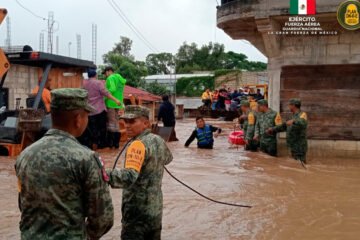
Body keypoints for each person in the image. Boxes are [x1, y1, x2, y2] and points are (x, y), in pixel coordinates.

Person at [15, 88, 114, 239]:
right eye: (87, 115)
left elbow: (23, 205)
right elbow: (103, 218)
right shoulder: (86, 158)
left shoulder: (25, 155)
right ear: (78, 119)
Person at [106, 105, 173, 239]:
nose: (127, 125)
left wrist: (103, 173)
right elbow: (168, 159)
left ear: (146, 123)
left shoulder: (136, 145)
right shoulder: (158, 140)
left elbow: (129, 177)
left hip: (136, 213)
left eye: (132, 121)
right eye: (125, 121)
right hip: (155, 210)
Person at [81, 69, 121, 149]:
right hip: (99, 110)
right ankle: (101, 144)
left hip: (89, 110)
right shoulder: (98, 83)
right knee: (102, 128)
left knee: (92, 128)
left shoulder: (84, 84)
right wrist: (116, 100)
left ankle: (92, 143)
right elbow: (106, 93)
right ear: (95, 75)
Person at [267, 98, 308, 163]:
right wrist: (272, 129)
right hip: (293, 146)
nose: (288, 107)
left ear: (293, 105)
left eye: (289, 105)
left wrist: (294, 121)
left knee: (301, 165)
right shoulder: (293, 116)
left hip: (299, 147)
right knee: (296, 166)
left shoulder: (302, 114)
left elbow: (303, 123)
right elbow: (283, 126)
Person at [103, 66, 127, 149]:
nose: (105, 75)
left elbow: (112, 89)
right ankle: (116, 144)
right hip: (118, 103)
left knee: (111, 123)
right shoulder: (120, 79)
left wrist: (104, 97)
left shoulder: (111, 78)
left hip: (111, 103)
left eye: (105, 73)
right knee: (116, 122)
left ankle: (112, 143)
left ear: (109, 71)